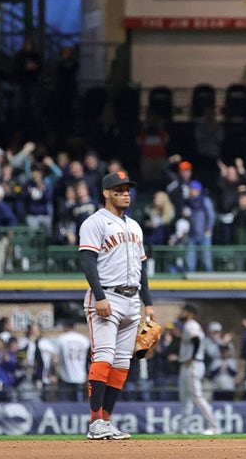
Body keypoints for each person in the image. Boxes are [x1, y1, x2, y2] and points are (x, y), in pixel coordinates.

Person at [80, 170, 155, 440]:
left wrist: (148, 303)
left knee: (123, 362)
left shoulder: (134, 226)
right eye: (118, 190)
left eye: (127, 190)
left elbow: (142, 267)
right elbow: (88, 261)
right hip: (107, 297)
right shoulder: (94, 222)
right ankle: (94, 422)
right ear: (106, 193)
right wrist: (99, 296)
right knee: (104, 356)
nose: (125, 194)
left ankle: (107, 421)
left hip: (132, 299)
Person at [176, 303, 220, 434]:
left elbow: (197, 340)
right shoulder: (188, 325)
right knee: (186, 398)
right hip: (188, 364)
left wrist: (192, 357)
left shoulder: (191, 325)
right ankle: (182, 429)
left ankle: (214, 427)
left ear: (189, 313)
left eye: (183, 311)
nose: (181, 313)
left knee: (196, 396)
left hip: (193, 364)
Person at [52, 320, 93, 400]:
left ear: (65, 327)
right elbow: (90, 359)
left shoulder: (61, 338)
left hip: (65, 376)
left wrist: (54, 373)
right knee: (78, 406)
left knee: (64, 405)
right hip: (80, 376)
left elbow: (54, 359)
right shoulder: (84, 339)